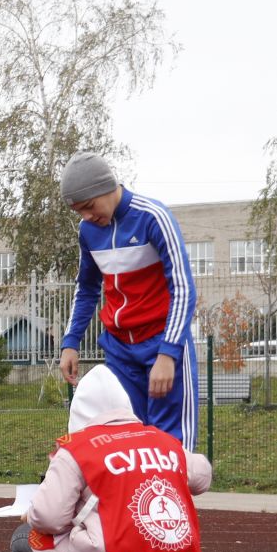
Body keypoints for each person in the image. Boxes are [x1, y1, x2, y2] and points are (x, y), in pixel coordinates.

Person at [15, 365, 213, 552]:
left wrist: (30, 514)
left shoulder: (77, 449)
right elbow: (202, 476)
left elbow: (49, 518)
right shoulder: (162, 440)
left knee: (23, 539)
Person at [57, 152, 201, 446]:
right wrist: (71, 342)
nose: (86, 217)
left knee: (171, 445)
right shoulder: (88, 232)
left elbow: (183, 287)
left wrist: (167, 354)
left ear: (105, 188)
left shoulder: (152, 217)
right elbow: (86, 289)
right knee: (126, 440)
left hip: (162, 342)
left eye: (89, 206)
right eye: (79, 212)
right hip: (120, 350)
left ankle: (173, 493)